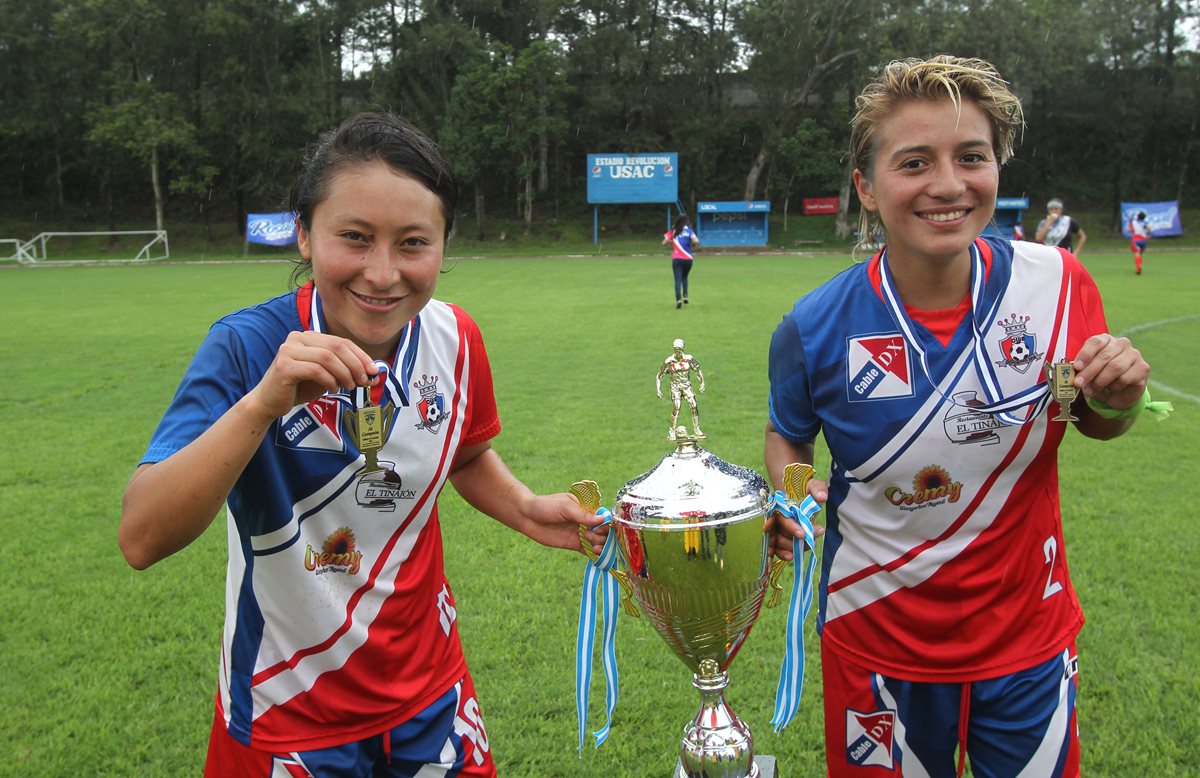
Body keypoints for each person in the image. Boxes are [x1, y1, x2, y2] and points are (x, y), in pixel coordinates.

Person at [119, 112, 605, 777]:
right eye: (354, 237)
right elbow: (142, 536)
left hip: (432, 691)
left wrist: (525, 508)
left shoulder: (457, 340)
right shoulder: (244, 347)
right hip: (285, 709)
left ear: (443, 244)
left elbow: (461, 453)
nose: (382, 273)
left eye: (412, 243)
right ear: (303, 233)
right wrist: (262, 404)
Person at [765, 56, 1166, 778]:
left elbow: (1094, 420)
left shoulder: (1057, 284)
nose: (948, 185)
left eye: (971, 157)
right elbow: (788, 434)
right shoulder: (814, 326)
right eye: (914, 162)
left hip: (1028, 637)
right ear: (866, 187)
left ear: (996, 169)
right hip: (874, 631)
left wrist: (1120, 396)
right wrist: (792, 491)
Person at [656, 338, 705, 439]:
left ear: (683, 349)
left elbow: (698, 370)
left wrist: (702, 383)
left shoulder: (689, 359)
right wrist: (658, 389)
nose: (677, 351)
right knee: (676, 407)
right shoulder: (669, 361)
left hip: (687, 386)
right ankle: (672, 430)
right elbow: (659, 375)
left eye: (679, 349)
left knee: (694, 405)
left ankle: (697, 428)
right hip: (675, 387)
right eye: (675, 349)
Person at [662, 213, 699, 308]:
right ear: (686, 222)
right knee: (685, 277)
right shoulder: (689, 231)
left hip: (677, 259)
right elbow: (696, 241)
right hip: (688, 259)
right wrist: (690, 243)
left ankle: (678, 300)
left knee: (677, 279)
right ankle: (685, 296)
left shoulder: (673, 231)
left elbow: (663, 243)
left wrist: (673, 241)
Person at [1128, 209, 1151, 274]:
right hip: (1144, 241)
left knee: (1137, 253)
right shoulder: (1144, 223)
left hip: (1136, 240)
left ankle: (1138, 268)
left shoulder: (1133, 222)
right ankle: (1139, 266)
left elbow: (1129, 230)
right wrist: (1149, 234)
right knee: (1140, 254)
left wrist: (1132, 230)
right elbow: (1149, 228)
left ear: (1137, 216)